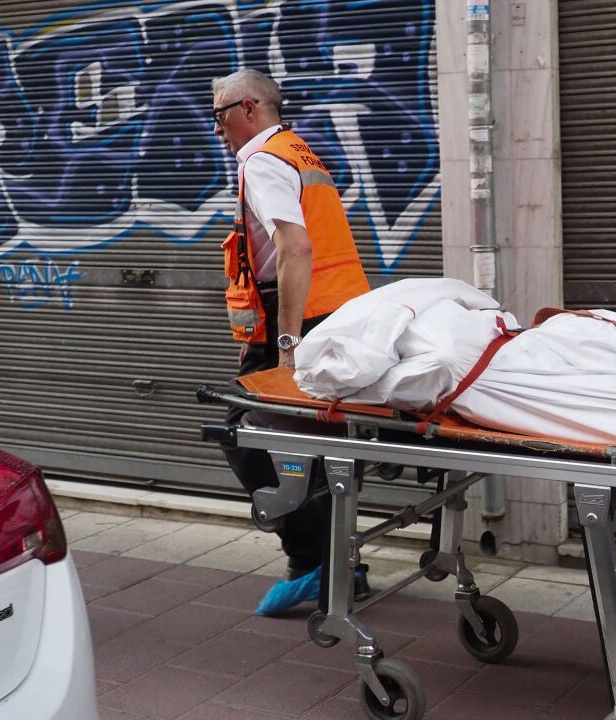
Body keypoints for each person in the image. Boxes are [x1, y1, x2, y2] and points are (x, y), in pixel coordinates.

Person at [211, 68, 372, 615]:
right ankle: (343, 563)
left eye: (219, 115)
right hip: (338, 313)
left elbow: (295, 249)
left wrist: (286, 342)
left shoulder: (261, 159)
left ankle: (311, 560)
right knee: (321, 445)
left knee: (243, 433)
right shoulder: (300, 151)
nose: (216, 128)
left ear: (249, 108)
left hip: (307, 319)